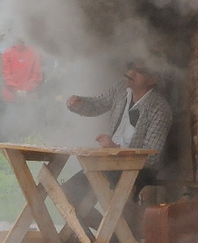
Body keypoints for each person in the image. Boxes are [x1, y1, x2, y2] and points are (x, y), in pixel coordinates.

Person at [63, 62, 173, 228]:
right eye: (131, 67)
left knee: (91, 194)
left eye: (140, 71)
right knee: (67, 192)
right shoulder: (121, 88)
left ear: (153, 80)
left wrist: (117, 150)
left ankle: (113, 235)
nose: (131, 73)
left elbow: (152, 157)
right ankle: (109, 233)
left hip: (138, 171)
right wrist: (79, 104)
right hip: (110, 163)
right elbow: (96, 104)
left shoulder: (160, 108)